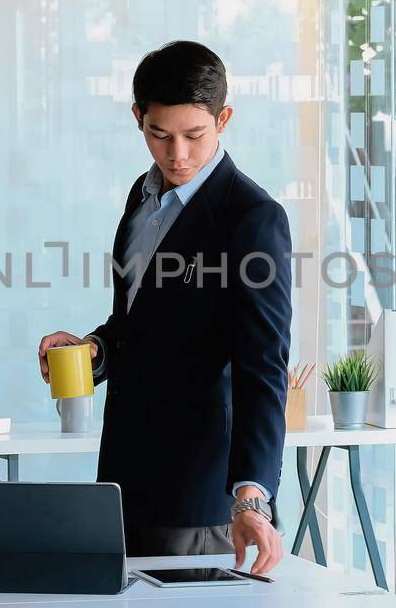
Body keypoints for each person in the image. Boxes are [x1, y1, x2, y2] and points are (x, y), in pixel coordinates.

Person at [35, 41, 292, 574]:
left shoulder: (252, 216)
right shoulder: (142, 196)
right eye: (160, 135)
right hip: (125, 476)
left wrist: (250, 496)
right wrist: (94, 352)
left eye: (195, 136)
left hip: (202, 494)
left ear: (224, 119)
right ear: (138, 118)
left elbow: (263, 365)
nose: (178, 154)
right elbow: (136, 324)